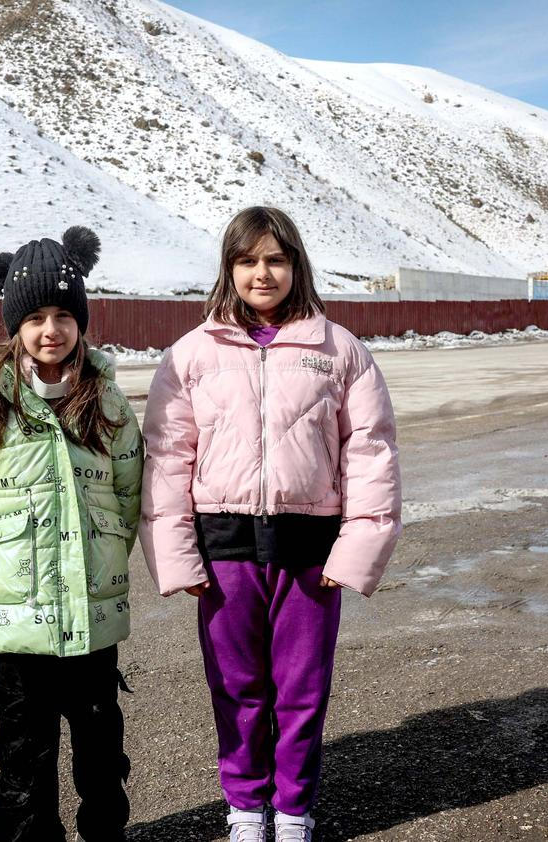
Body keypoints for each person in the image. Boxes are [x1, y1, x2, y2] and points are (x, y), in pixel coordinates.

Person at [140, 207, 402, 842]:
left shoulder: (339, 350)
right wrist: (177, 557)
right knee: (236, 689)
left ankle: (291, 811)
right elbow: (166, 459)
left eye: (276, 259)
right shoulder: (191, 356)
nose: (263, 272)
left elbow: (370, 452)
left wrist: (356, 550)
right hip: (223, 550)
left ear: (297, 266)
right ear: (230, 269)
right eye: (249, 260)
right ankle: (245, 810)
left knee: (301, 691)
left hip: (311, 551)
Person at [0, 226, 143, 841]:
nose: (50, 329)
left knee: (100, 745)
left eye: (63, 314)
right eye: (34, 316)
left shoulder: (106, 404)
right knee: (23, 753)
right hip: (17, 616)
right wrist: (1, 571)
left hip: (92, 611)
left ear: (81, 320)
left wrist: (104, 559)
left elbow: (129, 494)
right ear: (15, 325)